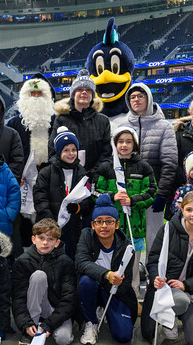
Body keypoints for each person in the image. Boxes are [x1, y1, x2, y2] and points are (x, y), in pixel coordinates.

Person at [141, 191, 193, 345]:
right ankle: (168, 321)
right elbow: (153, 260)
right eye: (189, 210)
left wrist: (186, 285)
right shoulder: (168, 229)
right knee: (178, 302)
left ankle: (175, 314)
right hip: (167, 288)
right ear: (182, 209)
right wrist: (156, 277)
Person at [93, 126, 157, 297]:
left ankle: (133, 298)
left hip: (134, 227)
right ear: (115, 144)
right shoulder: (106, 167)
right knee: (111, 264)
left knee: (133, 267)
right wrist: (112, 196)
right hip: (110, 228)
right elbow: (94, 192)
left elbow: (151, 192)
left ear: (134, 145)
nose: (124, 145)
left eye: (129, 142)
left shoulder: (143, 167)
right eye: (120, 141)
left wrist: (132, 201)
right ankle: (107, 299)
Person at [75, 194, 137, 345]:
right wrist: (107, 275)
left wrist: (110, 286)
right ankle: (91, 322)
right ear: (92, 224)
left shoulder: (127, 247)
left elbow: (126, 283)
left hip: (114, 292)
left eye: (109, 221)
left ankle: (104, 307)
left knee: (123, 336)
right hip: (94, 285)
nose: (104, 226)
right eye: (99, 222)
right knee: (86, 281)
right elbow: (81, 262)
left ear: (117, 224)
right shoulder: (86, 236)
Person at [124, 83, 177, 252]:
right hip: (130, 195)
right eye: (132, 97)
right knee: (129, 237)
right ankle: (130, 274)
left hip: (153, 194)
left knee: (155, 238)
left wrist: (161, 194)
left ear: (149, 98)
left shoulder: (164, 127)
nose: (136, 100)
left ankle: (154, 275)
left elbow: (169, 164)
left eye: (141, 96)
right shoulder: (123, 126)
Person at [12, 218, 77, 345]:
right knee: (39, 276)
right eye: (41, 238)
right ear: (33, 239)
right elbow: (18, 297)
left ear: (57, 243)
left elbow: (69, 299)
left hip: (55, 308)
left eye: (51, 239)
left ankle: (45, 326)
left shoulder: (66, 262)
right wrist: (26, 323)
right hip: (32, 309)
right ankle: (32, 327)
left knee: (63, 339)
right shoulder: (22, 261)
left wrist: (50, 324)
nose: (45, 242)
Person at [33, 127, 92, 260]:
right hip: (49, 225)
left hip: (72, 225)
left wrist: (78, 208)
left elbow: (88, 199)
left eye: (73, 150)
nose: (70, 154)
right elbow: (40, 198)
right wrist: (49, 219)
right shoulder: (46, 172)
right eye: (66, 150)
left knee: (70, 256)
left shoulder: (82, 173)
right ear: (58, 152)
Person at [49, 69, 111, 179]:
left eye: (88, 90)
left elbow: (106, 153)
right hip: (67, 176)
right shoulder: (61, 119)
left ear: (92, 94)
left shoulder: (103, 121)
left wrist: (94, 173)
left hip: (95, 178)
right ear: (73, 94)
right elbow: (53, 150)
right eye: (80, 89)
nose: (84, 92)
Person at [6, 74, 56, 170]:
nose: (36, 96)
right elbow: (10, 153)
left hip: (50, 175)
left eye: (39, 93)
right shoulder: (13, 123)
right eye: (32, 93)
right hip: (21, 177)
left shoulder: (56, 122)